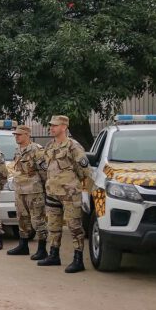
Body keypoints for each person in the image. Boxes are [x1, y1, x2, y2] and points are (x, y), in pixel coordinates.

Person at [37, 115, 93, 273]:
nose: (51, 128)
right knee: (53, 225)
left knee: (74, 226)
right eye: (51, 125)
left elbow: (85, 171)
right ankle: (54, 255)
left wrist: (79, 189)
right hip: (52, 192)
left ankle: (78, 259)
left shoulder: (73, 146)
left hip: (69, 193)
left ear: (64, 127)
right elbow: (46, 167)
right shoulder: (49, 146)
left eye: (55, 125)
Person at [7, 125, 49, 259]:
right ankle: (23, 245)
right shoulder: (17, 150)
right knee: (22, 219)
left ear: (27, 135)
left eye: (19, 134)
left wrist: (44, 189)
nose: (16, 137)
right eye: (15, 135)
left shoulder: (37, 150)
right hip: (20, 190)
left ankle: (42, 249)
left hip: (34, 190)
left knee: (38, 220)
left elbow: (44, 172)